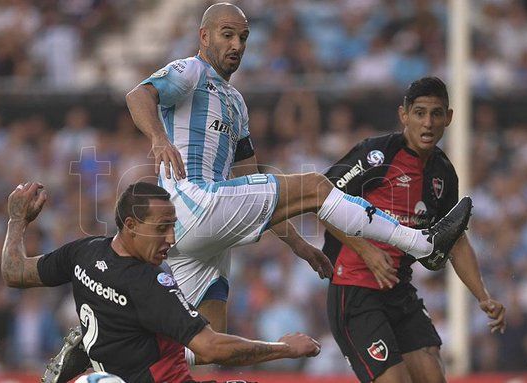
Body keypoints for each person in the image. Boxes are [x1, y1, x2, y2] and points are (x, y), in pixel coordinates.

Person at [124, 2, 471, 336]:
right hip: (190, 202)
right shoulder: (192, 70)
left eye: (243, 38)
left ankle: (105, 350)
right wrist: (158, 138)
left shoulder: (236, 104)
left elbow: (248, 182)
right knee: (316, 187)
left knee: (207, 343)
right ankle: (424, 244)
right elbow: (138, 95)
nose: (236, 45)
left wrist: (299, 246)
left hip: (198, 230)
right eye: (226, 35)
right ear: (204, 36)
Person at [2, 181, 321, 383]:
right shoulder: (151, 283)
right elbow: (210, 349)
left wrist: (18, 220)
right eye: (161, 228)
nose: (171, 238)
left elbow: (14, 273)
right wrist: (285, 349)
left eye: (173, 226)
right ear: (131, 225)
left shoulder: (83, 252)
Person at [323, 77, 507, 383]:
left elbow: (455, 239)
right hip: (354, 290)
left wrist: (482, 296)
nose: (428, 122)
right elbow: (321, 200)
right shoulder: (375, 155)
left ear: (448, 117)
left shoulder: (443, 172)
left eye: (436, 114)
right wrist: (366, 251)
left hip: (399, 291)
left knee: (433, 375)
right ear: (403, 115)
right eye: (420, 113)